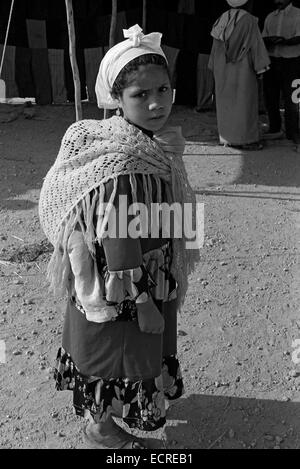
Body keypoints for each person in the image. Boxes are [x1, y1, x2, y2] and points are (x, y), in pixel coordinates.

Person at [38, 24, 198, 449]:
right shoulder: (124, 163)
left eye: (163, 90)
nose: (156, 102)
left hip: (149, 269)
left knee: (122, 353)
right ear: (117, 99)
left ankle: (106, 421)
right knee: (116, 355)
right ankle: (102, 431)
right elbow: (118, 242)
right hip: (125, 287)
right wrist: (143, 301)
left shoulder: (152, 147)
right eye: (140, 95)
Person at [208, 0, 270, 150]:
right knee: (244, 104)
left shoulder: (221, 19)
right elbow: (256, 44)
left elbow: (215, 48)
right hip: (243, 70)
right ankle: (246, 140)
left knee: (226, 104)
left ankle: (227, 138)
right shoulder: (249, 20)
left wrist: (214, 66)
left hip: (222, 68)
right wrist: (261, 68)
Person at [262, 0, 300, 144]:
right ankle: (274, 128)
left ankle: (293, 131)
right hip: (272, 60)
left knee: (292, 99)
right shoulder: (270, 17)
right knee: (271, 97)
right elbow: (263, 37)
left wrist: (284, 42)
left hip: (292, 62)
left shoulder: (298, 14)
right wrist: (270, 40)